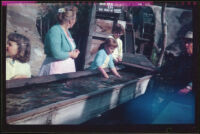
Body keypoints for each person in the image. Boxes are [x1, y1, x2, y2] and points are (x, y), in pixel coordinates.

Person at [39, 6, 80, 76]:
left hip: (66, 68)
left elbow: (66, 49)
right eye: (75, 19)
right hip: (55, 69)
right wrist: (71, 54)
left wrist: (74, 51)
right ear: (71, 20)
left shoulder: (67, 31)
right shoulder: (55, 30)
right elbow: (56, 53)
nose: (75, 21)